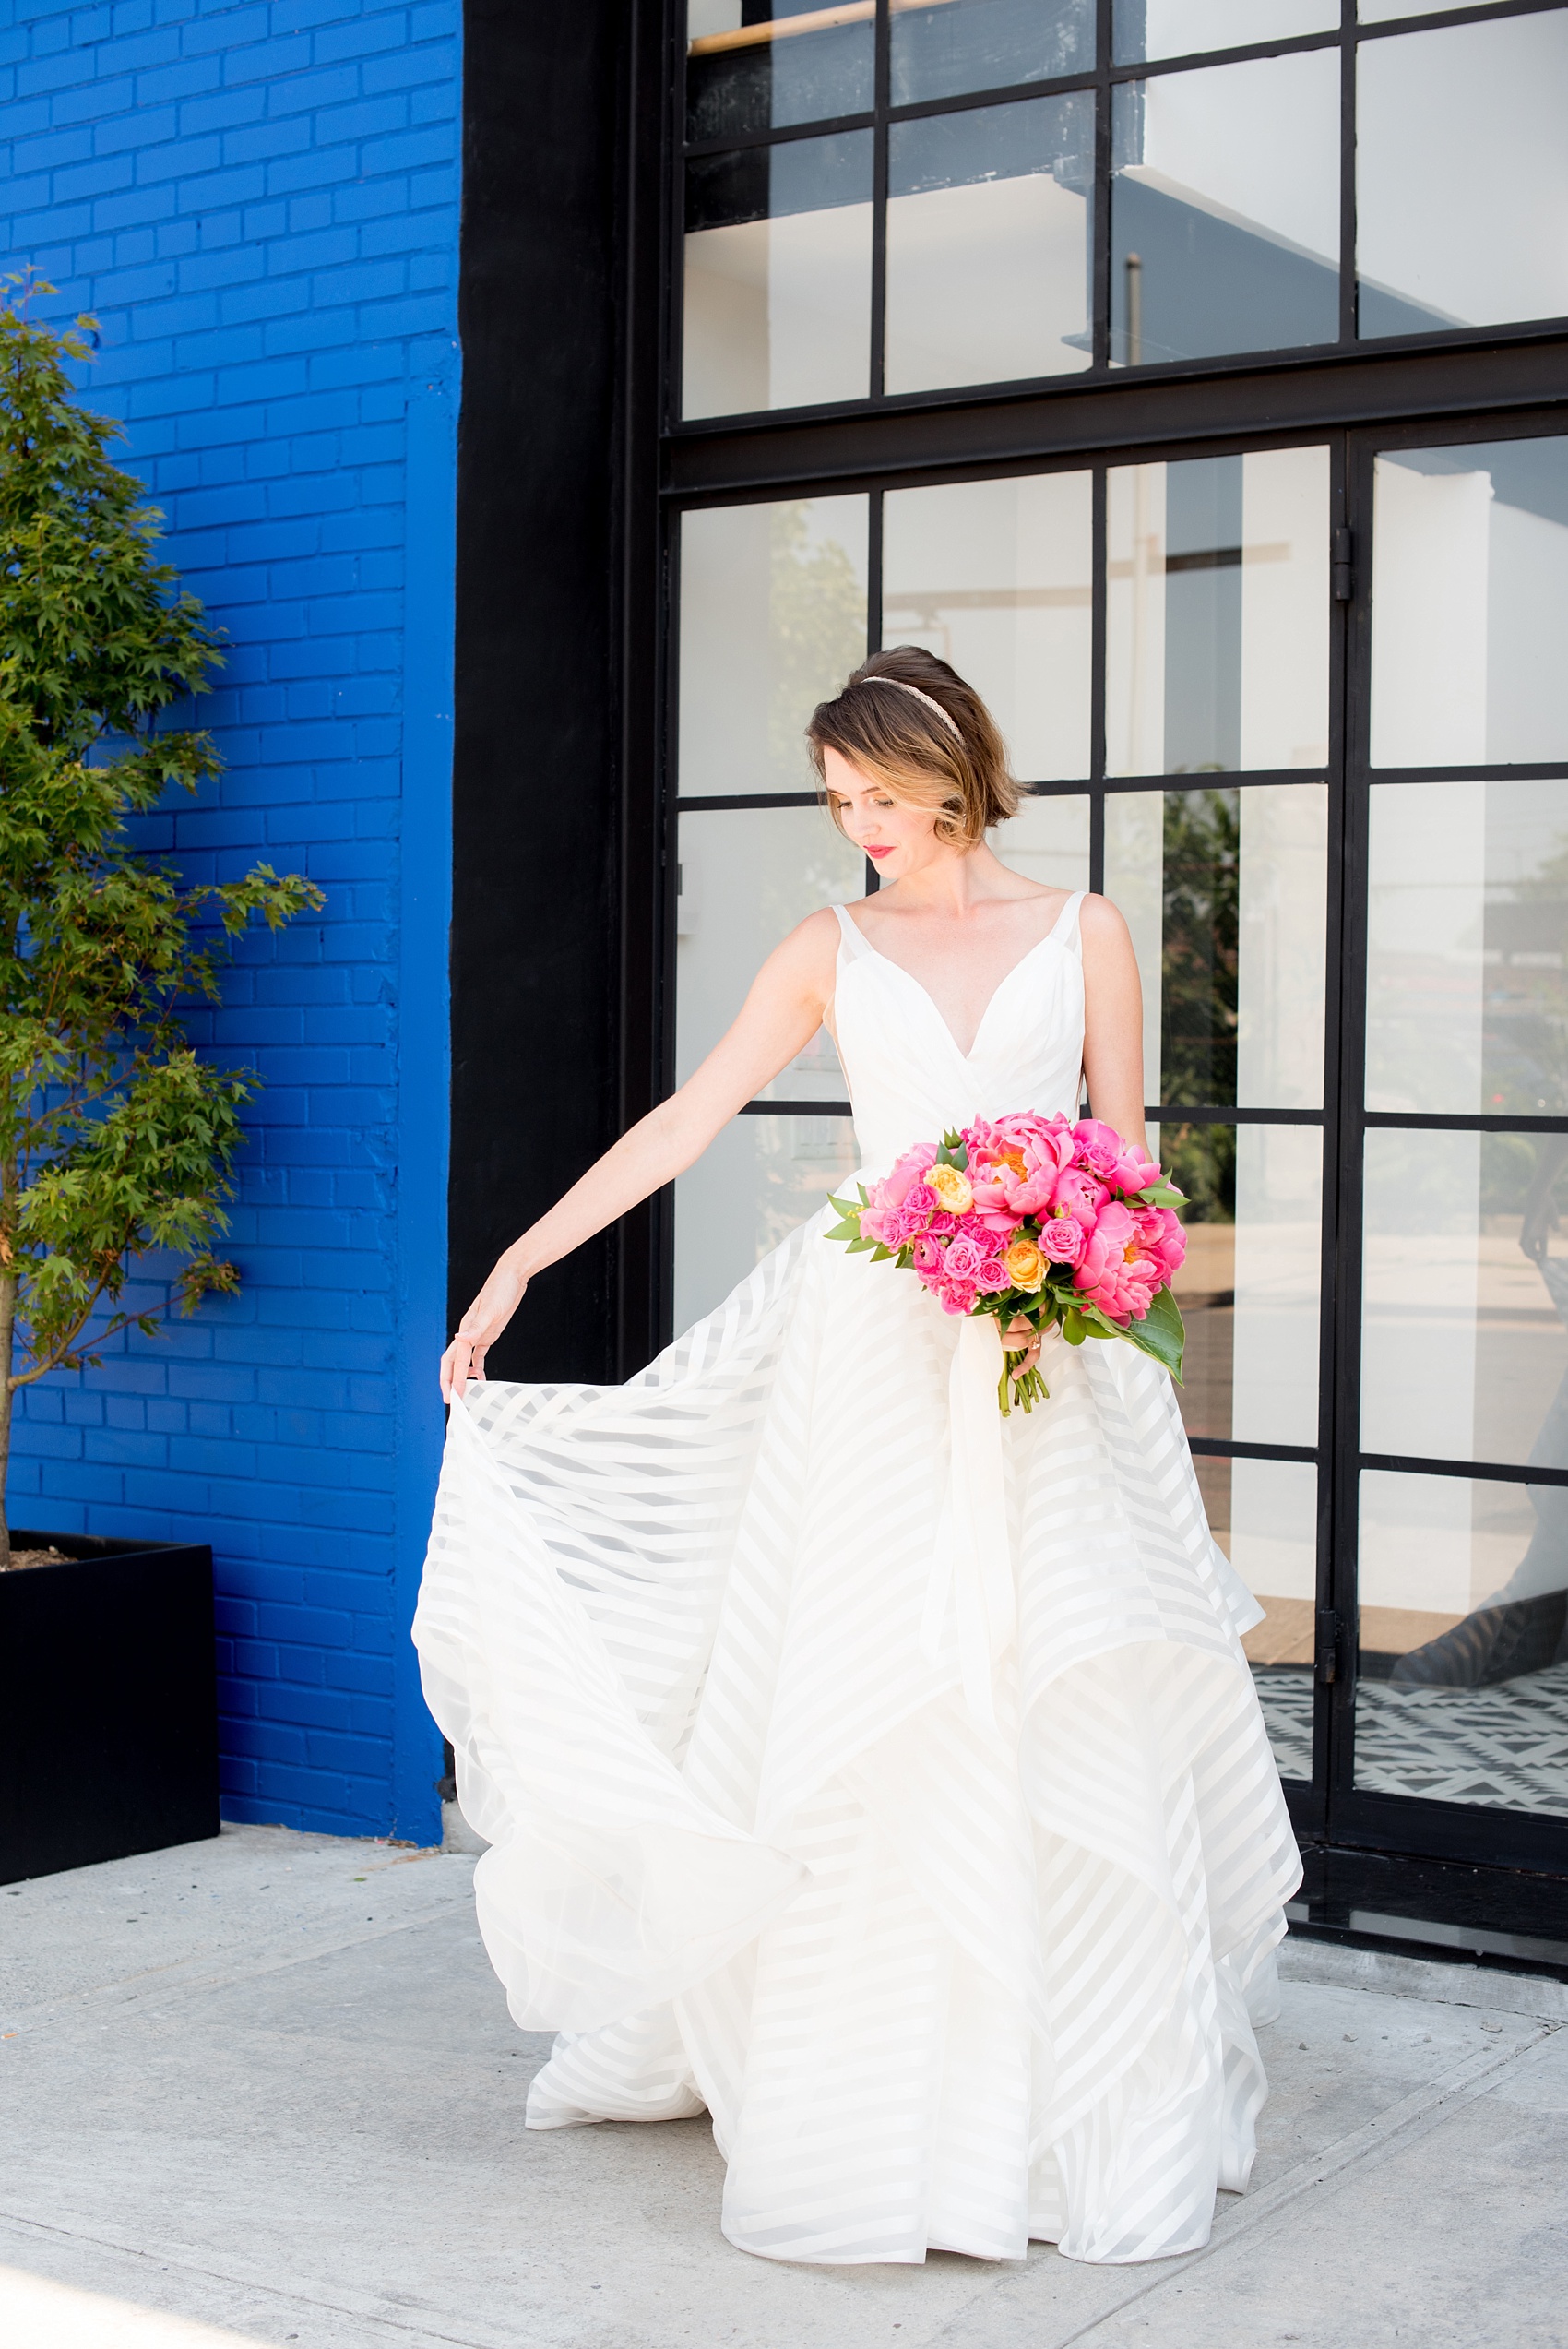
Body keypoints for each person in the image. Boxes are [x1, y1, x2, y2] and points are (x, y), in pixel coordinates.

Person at [415, 645, 1301, 2270]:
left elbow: (1136, 1162)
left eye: (879, 794)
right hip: (877, 1360)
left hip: (1054, 1365)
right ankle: (881, 2093)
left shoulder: (1085, 927)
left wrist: (1075, 1277)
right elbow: (686, 1122)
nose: (861, 825)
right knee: (875, 1697)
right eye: (841, 801)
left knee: (1061, 1687)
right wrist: (519, 1265)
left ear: (955, 770)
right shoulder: (831, 947)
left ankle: (1080, 2087)